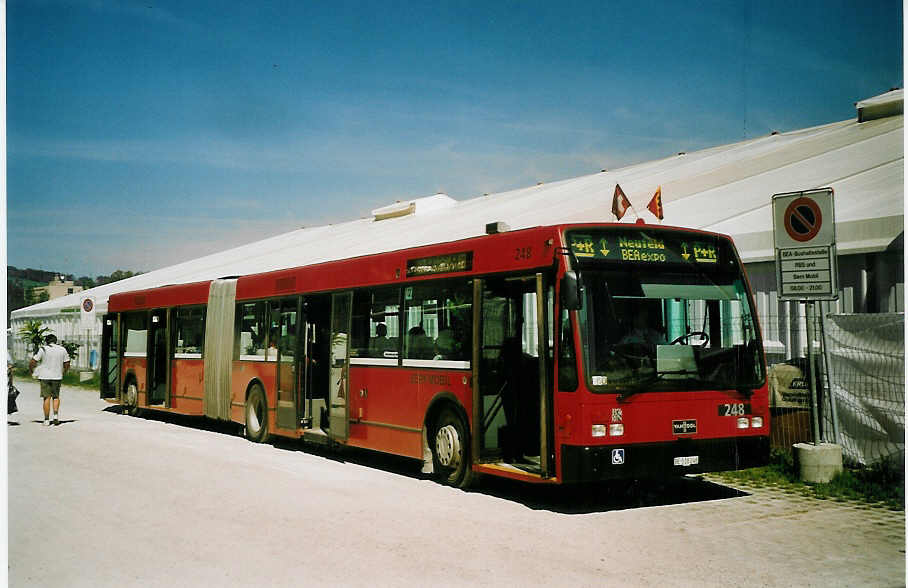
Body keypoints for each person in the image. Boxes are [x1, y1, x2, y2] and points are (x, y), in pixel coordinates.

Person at [29, 334, 71, 426]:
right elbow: (67, 363)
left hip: (44, 376)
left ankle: (46, 420)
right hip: (57, 376)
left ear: (47, 341)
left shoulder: (43, 349)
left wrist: (32, 371)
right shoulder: (62, 349)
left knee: (46, 398)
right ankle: (55, 416)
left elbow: (33, 361)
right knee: (56, 397)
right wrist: (64, 372)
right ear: (55, 341)